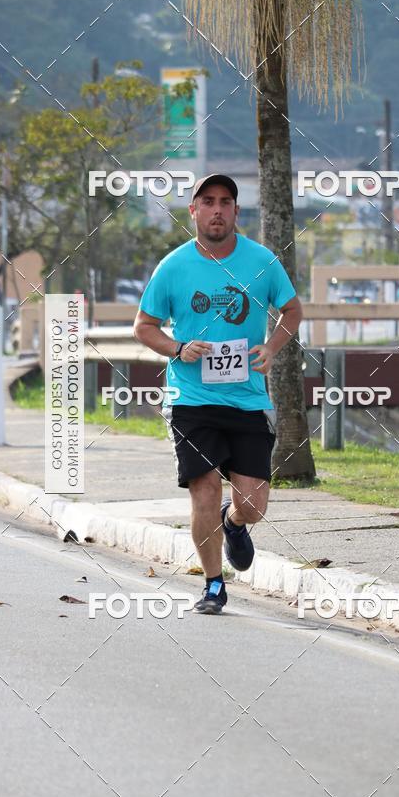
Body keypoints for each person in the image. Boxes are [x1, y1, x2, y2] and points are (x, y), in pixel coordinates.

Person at [133, 174, 303, 614]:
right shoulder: (173, 266)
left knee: (253, 504)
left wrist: (272, 346)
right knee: (204, 489)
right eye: (207, 202)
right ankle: (213, 585)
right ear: (193, 211)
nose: (217, 210)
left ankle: (234, 523)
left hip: (247, 399)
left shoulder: (261, 261)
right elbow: (143, 327)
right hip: (191, 400)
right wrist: (178, 349)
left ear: (235, 212)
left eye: (225, 202)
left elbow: (292, 310)